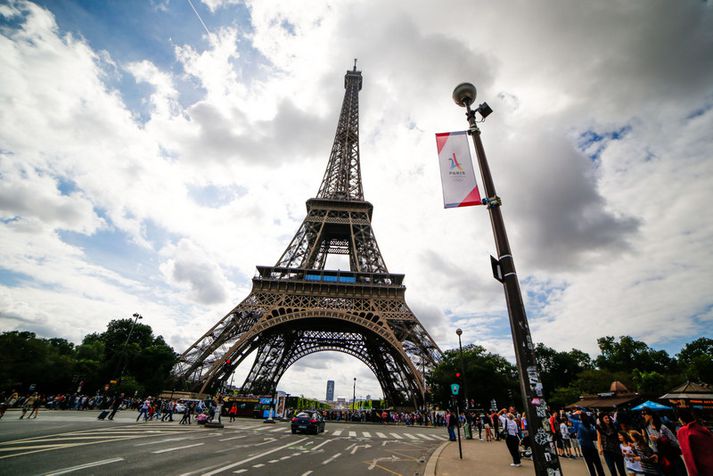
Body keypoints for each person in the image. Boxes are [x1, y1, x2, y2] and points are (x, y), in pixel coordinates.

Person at [642, 410, 684, 476]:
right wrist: (655, 453)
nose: (643, 416)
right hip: (661, 456)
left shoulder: (662, 426)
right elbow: (651, 443)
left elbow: (674, 441)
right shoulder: (647, 428)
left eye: (644, 414)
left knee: (678, 472)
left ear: (651, 415)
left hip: (671, 453)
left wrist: (659, 439)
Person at [676, 408, 713, 476]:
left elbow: (688, 454)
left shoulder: (684, 431)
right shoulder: (701, 428)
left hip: (699, 467)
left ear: (681, 418)